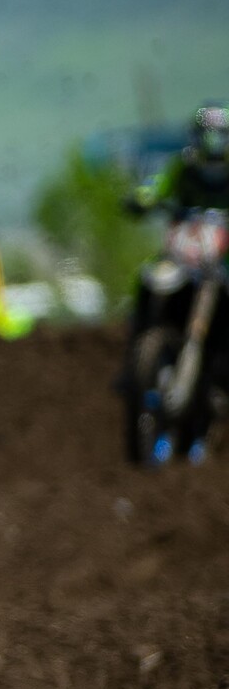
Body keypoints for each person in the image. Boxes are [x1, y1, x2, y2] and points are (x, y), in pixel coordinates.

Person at [123, 102, 229, 457]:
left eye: (220, 137)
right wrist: (144, 197)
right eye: (208, 137)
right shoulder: (181, 168)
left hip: (223, 261)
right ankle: (138, 348)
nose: (213, 145)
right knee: (149, 278)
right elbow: (155, 186)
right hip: (186, 255)